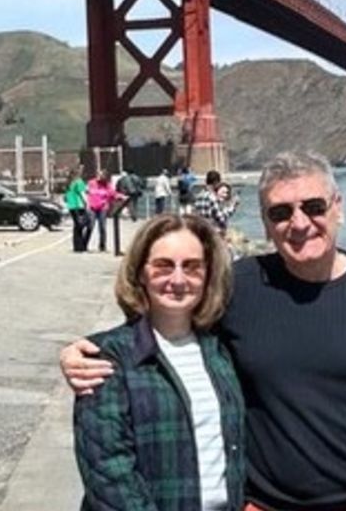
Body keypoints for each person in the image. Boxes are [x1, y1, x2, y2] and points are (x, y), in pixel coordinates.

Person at [63, 151, 346, 511]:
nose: (299, 223)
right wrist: (87, 353)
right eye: (280, 212)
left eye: (314, 207)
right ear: (265, 223)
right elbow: (168, 318)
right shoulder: (239, 287)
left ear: (338, 208)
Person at [74, 214, 244, 511]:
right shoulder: (109, 356)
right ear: (141, 272)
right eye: (163, 265)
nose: (178, 279)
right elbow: (108, 472)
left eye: (192, 267)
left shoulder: (221, 350)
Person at [87, 171, 118, 253]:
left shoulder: (107, 185)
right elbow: (86, 193)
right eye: (99, 175)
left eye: (102, 176)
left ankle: (102, 246)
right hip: (92, 207)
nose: (99, 178)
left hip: (103, 208)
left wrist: (122, 196)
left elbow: (113, 194)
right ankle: (84, 244)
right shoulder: (91, 183)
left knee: (102, 227)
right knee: (90, 226)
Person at [65, 169, 92, 253]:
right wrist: (87, 204)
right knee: (86, 225)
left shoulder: (69, 183)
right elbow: (82, 194)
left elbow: (66, 197)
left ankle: (77, 246)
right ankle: (81, 246)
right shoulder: (79, 182)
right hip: (79, 206)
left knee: (77, 227)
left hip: (71, 206)